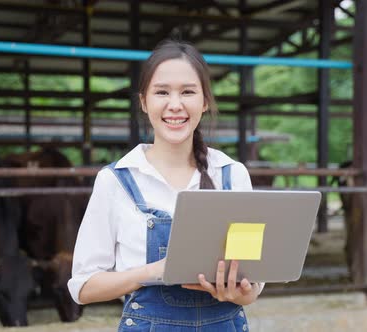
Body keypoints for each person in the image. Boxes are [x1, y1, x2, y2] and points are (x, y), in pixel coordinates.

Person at [68, 39, 264, 331]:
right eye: (162, 92)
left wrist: (242, 293)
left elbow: (254, 282)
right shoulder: (116, 180)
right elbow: (83, 288)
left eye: (188, 92)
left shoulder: (232, 175)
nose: (175, 105)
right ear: (144, 102)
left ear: (205, 101)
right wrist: (155, 272)